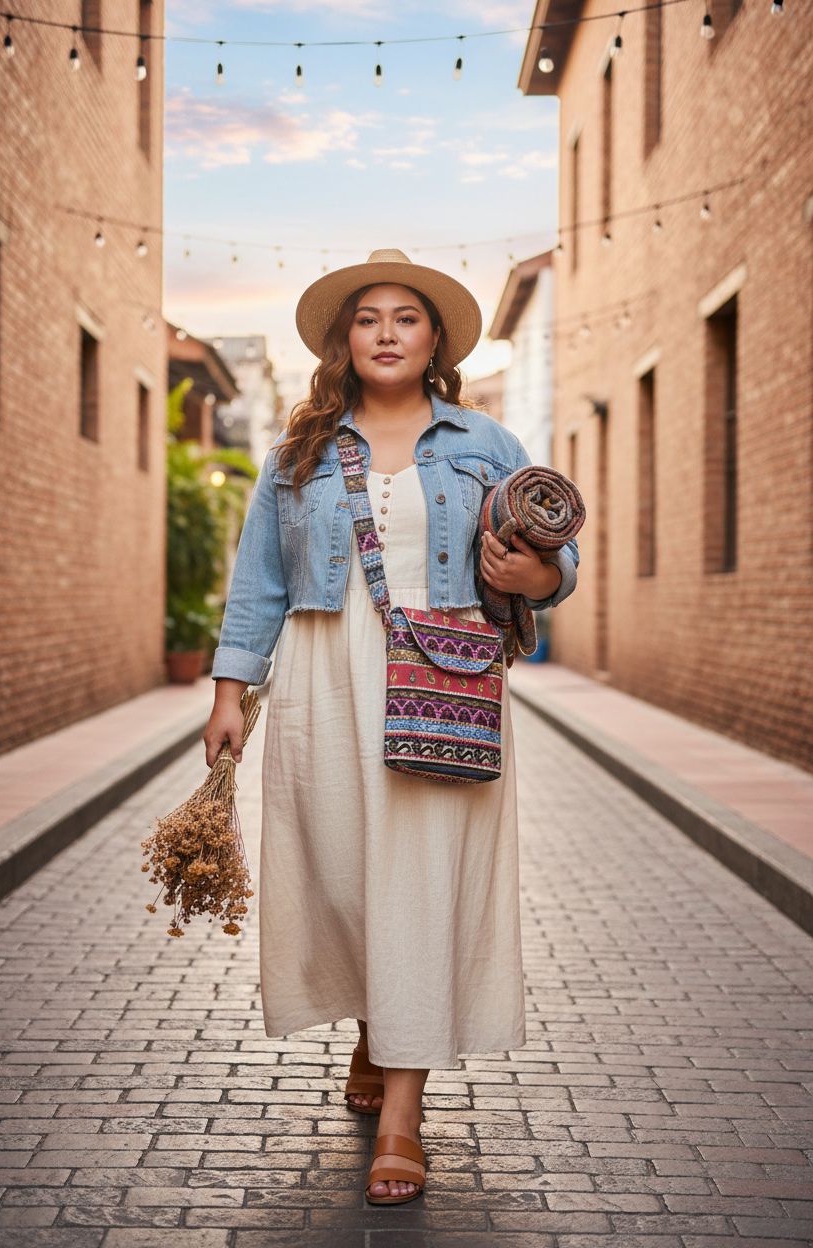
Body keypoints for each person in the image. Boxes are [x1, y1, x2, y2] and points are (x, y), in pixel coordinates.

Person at [203, 248, 580, 1206]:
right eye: (367, 318)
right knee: (340, 870)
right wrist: (227, 693)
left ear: (435, 339)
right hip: (324, 674)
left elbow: (556, 566)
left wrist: (530, 579)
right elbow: (259, 582)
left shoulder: (485, 441)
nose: (385, 333)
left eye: (405, 318)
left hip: (439, 673)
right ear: (343, 339)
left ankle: (404, 1118)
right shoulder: (299, 454)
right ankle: (377, 1022)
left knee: (417, 875)